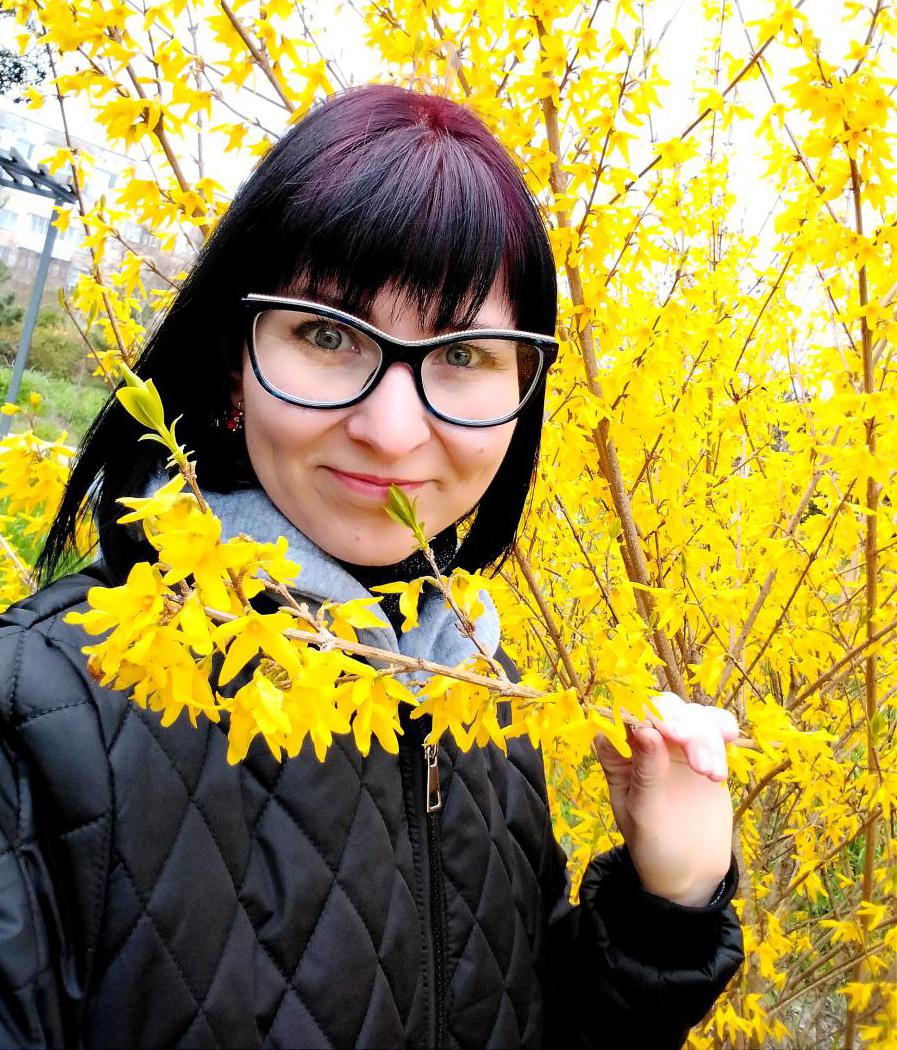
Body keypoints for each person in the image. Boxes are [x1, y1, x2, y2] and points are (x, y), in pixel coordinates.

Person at [0, 84, 743, 1049]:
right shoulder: (35, 722)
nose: (391, 431)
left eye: (464, 354)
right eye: (326, 335)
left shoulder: (473, 694)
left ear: (523, 394)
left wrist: (664, 907)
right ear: (233, 358)